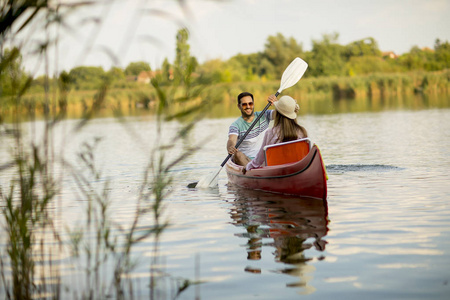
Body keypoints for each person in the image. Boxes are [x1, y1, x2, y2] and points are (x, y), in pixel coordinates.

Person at [244, 95, 307, 173]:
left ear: (277, 114)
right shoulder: (302, 131)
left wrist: (247, 167)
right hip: (297, 169)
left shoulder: (270, 133)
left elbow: (259, 160)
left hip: (275, 171)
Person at [227, 92, 277, 166]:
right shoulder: (236, 125)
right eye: (244, 104)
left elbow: (282, 114)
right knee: (237, 155)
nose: (248, 106)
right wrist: (230, 147)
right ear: (239, 106)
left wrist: (277, 104)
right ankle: (254, 171)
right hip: (247, 161)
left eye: (250, 103)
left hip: (265, 158)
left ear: (253, 104)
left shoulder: (264, 115)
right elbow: (231, 140)